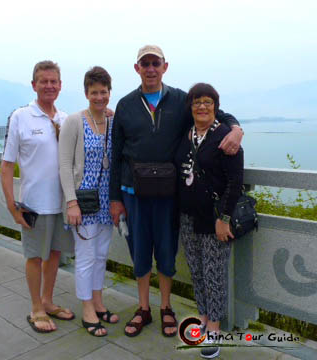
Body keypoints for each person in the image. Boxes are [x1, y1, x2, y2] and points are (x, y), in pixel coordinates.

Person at [109, 45, 243, 338]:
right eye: (145, 64)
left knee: (167, 252)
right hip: (133, 191)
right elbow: (116, 151)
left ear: (165, 66)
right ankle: (143, 307)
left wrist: (235, 128)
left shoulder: (181, 99)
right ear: (137, 68)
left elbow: (214, 110)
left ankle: (165, 307)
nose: (151, 69)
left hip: (170, 194)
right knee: (140, 251)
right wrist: (115, 199)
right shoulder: (125, 105)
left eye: (155, 63)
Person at [1, 60, 75, 334]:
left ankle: (48, 300)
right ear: (34, 85)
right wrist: (11, 205)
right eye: (43, 81)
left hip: (61, 202)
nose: (49, 86)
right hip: (33, 203)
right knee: (34, 256)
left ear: (60, 86)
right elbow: (7, 165)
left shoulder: (65, 119)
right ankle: (35, 308)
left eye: (53, 81)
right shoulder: (21, 117)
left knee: (55, 254)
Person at [175, 83, 244, 358]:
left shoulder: (226, 136)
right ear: (190, 107)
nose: (201, 106)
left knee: (215, 274)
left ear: (215, 106)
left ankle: (214, 330)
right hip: (188, 216)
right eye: (196, 102)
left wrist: (224, 218)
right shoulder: (187, 133)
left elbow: (235, 182)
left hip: (215, 218)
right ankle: (202, 318)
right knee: (197, 271)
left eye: (207, 102)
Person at [59, 66, 119, 337]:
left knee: (100, 256)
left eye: (103, 92)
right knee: (84, 257)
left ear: (109, 92)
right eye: (94, 92)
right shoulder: (74, 121)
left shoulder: (113, 122)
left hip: (107, 201)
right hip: (83, 201)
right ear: (86, 93)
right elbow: (63, 165)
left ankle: (98, 302)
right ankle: (87, 310)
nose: (99, 97)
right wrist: (71, 202)